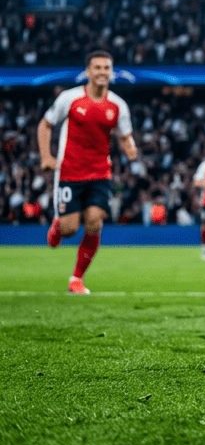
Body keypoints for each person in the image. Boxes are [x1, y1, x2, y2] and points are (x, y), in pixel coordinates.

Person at [36, 51, 138, 294]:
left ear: (112, 72)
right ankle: (58, 226)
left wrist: (130, 148)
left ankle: (76, 279)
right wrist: (46, 157)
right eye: (98, 68)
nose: (103, 72)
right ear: (88, 72)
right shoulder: (69, 99)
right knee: (70, 228)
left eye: (107, 68)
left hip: (100, 172)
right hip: (70, 171)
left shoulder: (118, 105)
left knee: (94, 221)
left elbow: (125, 136)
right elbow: (45, 124)